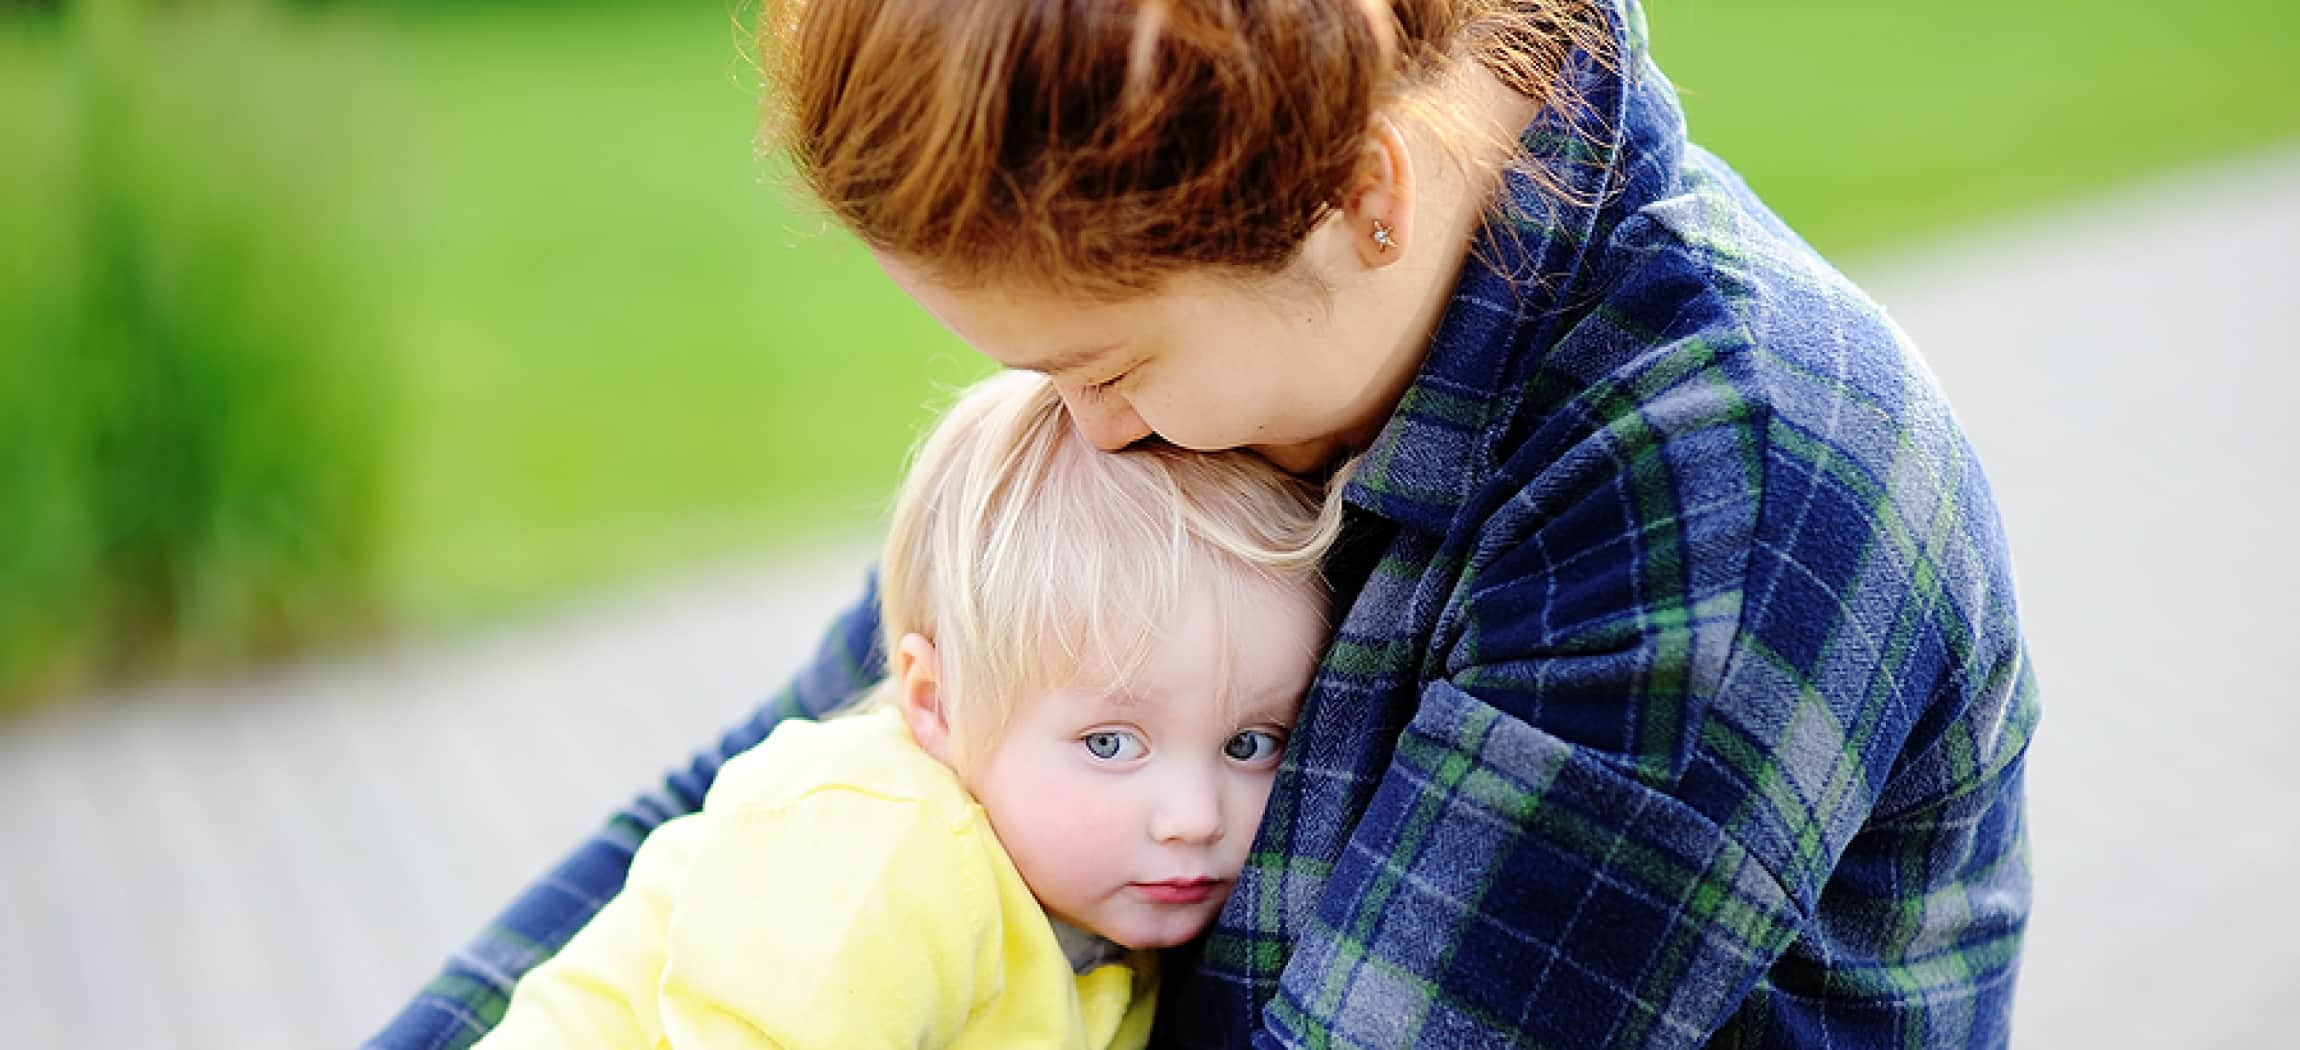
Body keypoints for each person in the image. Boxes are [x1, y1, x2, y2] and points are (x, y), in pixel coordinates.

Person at [373, 0, 2039, 1046]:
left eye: (1109, 365)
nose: (1085, 432)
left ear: (1361, 198)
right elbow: (790, 774)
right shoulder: (1275, 349)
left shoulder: (1728, 483)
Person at [474, 370, 1341, 1049]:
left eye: (1250, 742)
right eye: (1111, 743)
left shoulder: (1109, 926)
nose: (1194, 818)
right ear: (937, 702)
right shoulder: (879, 847)